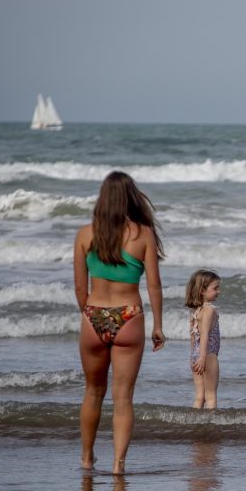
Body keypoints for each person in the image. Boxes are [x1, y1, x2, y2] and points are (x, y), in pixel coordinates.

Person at [73, 171, 165, 474]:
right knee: (123, 397)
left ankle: (87, 457)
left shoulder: (85, 235)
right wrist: (158, 325)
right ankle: (117, 465)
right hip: (128, 316)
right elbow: (154, 285)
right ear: (130, 198)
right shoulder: (143, 234)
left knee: (92, 391)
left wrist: (89, 315)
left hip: (94, 315)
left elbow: (80, 288)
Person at [185, 270, 221, 409]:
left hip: (195, 355)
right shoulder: (210, 310)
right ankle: (210, 421)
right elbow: (204, 334)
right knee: (210, 396)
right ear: (202, 290)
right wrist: (203, 357)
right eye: (215, 288)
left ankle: (194, 419)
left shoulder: (195, 311)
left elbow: (193, 335)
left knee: (199, 396)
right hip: (208, 355)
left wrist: (193, 356)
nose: (219, 291)